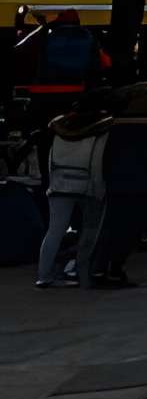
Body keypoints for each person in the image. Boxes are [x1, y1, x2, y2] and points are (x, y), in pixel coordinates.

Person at [85, 87, 147, 288]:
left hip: (119, 183)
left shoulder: (116, 124)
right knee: (132, 229)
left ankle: (100, 268)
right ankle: (115, 268)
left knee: (114, 227)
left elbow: (107, 157)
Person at [35, 101, 104, 287]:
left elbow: (48, 157)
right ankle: (83, 273)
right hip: (87, 182)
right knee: (90, 229)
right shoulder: (101, 128)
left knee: (55, 230)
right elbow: (97, 160)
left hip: (59, 181)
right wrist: (99, 189)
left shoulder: (58, 126)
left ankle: (44, 275)